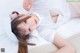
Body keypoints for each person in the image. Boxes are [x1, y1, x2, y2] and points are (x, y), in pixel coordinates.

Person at [11, 0, 76, 53]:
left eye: (25, 21)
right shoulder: (43, 30)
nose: (32, 24)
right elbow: (69, 48)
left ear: (22, 15)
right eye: (29, 29)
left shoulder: (37, 4)